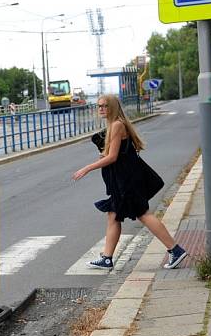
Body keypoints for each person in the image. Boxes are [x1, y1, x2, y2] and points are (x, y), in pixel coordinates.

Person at [72, 94, 187, 270]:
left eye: (105, 106)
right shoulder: (113, 125)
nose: (101, 109)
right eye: (99, 106)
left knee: (143, 213)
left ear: (113, 107)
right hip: (123, 179)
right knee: (113, 214)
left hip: (128, 180)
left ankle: (175, 249)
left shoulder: (117, 125)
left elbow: (112, 157)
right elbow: (115, 155)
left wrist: (87, 168)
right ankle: (107, 258)